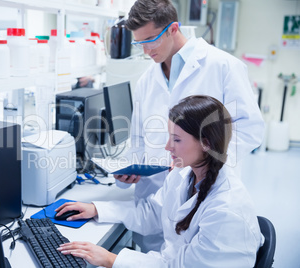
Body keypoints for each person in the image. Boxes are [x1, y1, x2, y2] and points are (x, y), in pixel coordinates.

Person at [111, 0, 264, 252]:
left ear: (172, 29)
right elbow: (138, 136)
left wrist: (200, 163)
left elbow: (249, 128)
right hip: (153, 196)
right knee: (154, 258)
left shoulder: (223, 66)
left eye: (151, 40)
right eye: (139, 43)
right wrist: (130, 170)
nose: (146, 50)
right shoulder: (147, 79)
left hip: (200, 192)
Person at [55, 95, 264, 268]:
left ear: (206, 144)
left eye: (177, 139)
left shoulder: (226, 210)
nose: (167, 147)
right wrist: (97, 209)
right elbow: (152, 213)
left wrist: (111, 259)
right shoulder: (183, 175)